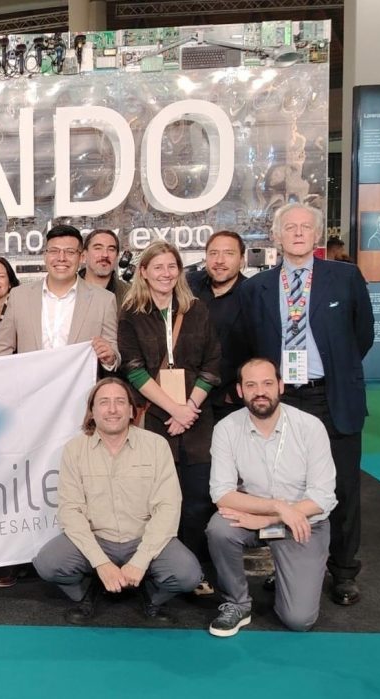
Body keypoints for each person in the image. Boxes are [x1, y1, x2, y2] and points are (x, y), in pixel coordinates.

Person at [238, 202, 373, 606]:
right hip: (282, 400)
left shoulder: (345, 277)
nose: (298, 233)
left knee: (342, 487)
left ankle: (343, 571)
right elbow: (251, 342)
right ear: (277, 236)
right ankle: (287, 565)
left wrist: (335, 370)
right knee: (284, 486)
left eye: (305, 227)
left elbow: (362, 335)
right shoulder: (257, 287)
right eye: (290, 227)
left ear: (317, 235)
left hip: (331, 395)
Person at [33, 377, 202, 625]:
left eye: (120, 401)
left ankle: (150, 596)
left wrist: (140, 561)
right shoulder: (74, 450)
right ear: (91, 412)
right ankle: (89, 592)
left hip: (144, 538)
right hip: (97, 539)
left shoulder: (156, 446)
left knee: (188, 575)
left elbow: (168, 508)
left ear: (132, 410)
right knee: (48, 563)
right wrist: (101, 562)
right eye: (104, 402)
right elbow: (70, 511)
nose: (112, 409)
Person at [206, 358, 336, 636]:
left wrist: (271, 519)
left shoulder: (310, 427)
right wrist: (277, 507)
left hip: (301, 523)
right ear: (240, 390)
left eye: (267, 383)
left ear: (280, 386)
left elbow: (322, 497)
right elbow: (222, 493)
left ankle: (290, 572)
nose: (260, 392)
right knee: (220, 528)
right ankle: (237, 603)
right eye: (251, 385)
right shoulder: (226, 428)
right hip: (254, 516)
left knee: (299, 620)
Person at [119, 240, 221, 593]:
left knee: (197, 500)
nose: (165, 273)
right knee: (156, 499)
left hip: (197, 420)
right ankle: (156, 570)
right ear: (143, 272)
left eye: (171, 266)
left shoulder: (197, 310)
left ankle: (195, 572)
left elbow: (212, 363)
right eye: (158, 267)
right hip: (154, 419)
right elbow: (133, 370)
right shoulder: (131, 314)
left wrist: (189, 408)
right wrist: (174, 409)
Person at [0, 225, 120, 374]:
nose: (61, 258)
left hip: (80, 387)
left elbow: (113, 354)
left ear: (81, 257)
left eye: (70, 252)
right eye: (54, 251)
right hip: (30, 386)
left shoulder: (104, 300)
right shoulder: (19, 296)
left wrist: (109, 357)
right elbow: (1, 350)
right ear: (45, 256)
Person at [187, 231, 249, 424]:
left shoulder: (252, 294)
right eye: (213, 253)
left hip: (228, 402)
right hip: (186, 396)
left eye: (229, 253)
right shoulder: (188, 285)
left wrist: (234, 394)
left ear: (242, 259)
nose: (219, 260)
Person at [81, 229, 129, 306]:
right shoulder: (67, 289)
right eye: (98, 248)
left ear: (117, 256)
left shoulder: (131, 295)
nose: (105, 255)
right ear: (84, 255)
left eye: (111, 249)